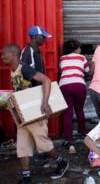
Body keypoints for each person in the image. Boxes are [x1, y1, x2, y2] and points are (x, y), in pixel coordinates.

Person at [1, 44, 69, 183]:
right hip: (22, 115)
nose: (2, 57)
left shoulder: (24, 68)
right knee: (22, 146)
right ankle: (26, 177)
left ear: (13, 54)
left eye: (4, 54)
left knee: (43, 145)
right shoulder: (13, 70)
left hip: (34, 113)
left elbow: (46, 80)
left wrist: (45, 103)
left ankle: (61, 162)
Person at [59, 40, 89, 150]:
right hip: (79, 85)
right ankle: (82, 130)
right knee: (79, 110)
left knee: (67, 113)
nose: (80, 49)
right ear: (75, 49)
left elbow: (61, 68)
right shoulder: (81, 57)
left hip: (65, 85)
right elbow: (87, 70)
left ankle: (68, 139)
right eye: (79, 47)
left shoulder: (62, 58)